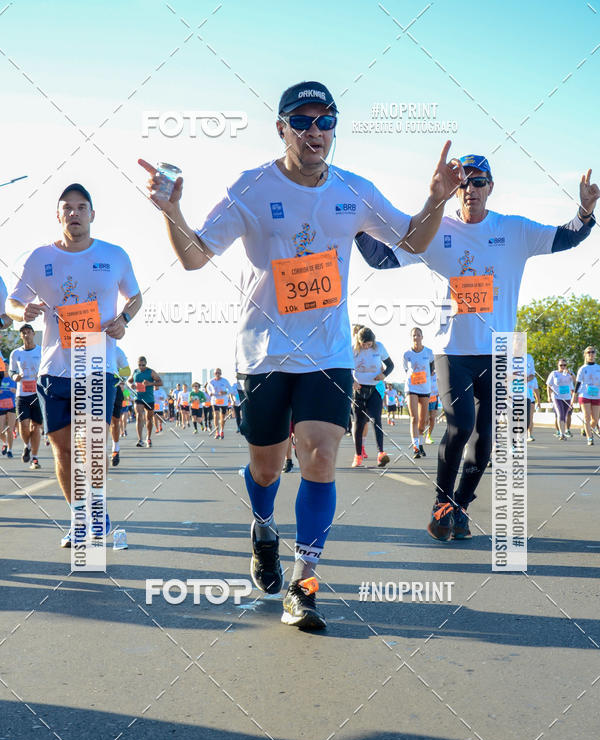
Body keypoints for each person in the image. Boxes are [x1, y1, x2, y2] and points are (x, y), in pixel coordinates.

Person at [140, 79, 463, 629]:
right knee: (265, 470)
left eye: (326, 121)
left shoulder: (353, 189)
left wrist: (435, 200)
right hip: (263, 355)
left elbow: (411, 241)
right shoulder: (250, 187)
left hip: (327, 354)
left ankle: (304, 583)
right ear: (282, 128)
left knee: (318, 454)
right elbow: (195, 257)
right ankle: (263, 529)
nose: (316, 132)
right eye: (304, 120)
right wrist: (172, 211)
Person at [356, 157, 598, 540]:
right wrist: (354, 224)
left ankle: (460, 506)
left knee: (486, 435)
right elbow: (380, 257)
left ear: (490, 187)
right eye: (463, 183)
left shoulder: (513, 230)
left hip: (498, 351)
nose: (471, 189)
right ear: (455, 189)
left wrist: (584, 211)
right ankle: (441, 501)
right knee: (461, 423)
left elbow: (566, 235)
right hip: (452, 349)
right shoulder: (435, 229)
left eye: (478, 182)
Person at [6, 183, 142, 546]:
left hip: (98, 365)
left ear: (92, 214)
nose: (75, 213)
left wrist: (124, 321)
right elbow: (12, 304)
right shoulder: (38, 259)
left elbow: (135, 296)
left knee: (91, 445)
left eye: (82, 207)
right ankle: (79, 517)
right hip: (54, 371)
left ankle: (96, 514)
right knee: (63, 449)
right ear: (58, 215)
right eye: (67, 208)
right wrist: (25, 310)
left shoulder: (114, 256)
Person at [351, 326, 393, 467]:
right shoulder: (353, 349)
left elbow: (390, 365)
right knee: (359, 423)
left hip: (374, 389)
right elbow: (344, 368)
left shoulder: (379, 347)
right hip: (359, 391)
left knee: (377, 420)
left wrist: (384, 375)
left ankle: (381, 453)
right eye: (364, 344)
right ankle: (358, 456)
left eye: (369, 344)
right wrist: (353, 381)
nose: (367, 347)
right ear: (359, 341)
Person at [9, 323, 43, 468]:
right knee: (24, 426)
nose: (26, 335)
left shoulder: (42, 351)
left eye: (28, 332)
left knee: (36, 427)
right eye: (23, 333)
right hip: (22, 395)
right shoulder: (15, 353)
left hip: (38, 394)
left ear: (33, 334)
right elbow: (11, 371)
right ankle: (26, 445)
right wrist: (15, 376)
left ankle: (34, 458)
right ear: (20, 336)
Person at [402, 327, 434, 458]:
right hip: (411, 387)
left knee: (423, 421)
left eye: (418, 335)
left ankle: (420, 444)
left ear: (422, 336)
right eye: (414, 335)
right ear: (411, 337)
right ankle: (415, 448)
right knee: (414, 418)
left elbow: (432, 366)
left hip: (425, 388)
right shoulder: (407, 354)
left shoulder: (429, 352)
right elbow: (406, 370)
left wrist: (426, 375)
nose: (416, 337)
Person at [129, 356, 161, 447]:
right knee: (139, 415)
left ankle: (148, 437)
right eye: (139, 365)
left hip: (149, 399)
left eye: (143, 365)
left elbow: (160, 382)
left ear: (146, 364)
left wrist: (150, 383)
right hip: (138, 397)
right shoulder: (135, 372)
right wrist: (131, 385)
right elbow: (128, 381)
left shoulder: (151, 372)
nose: (141, 367)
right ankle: (140, 439)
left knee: (149, 419)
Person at [574, 346, 600, 445]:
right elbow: (578, 383)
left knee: (595, 419)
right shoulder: (582, 368)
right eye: (589, 352)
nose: (591, 354)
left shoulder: (598, 368)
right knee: (587, 416)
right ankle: (589, 438)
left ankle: (587, 429)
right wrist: (574, 396)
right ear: (585, 354)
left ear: (595, 354)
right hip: (584, 394)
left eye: (593, 352)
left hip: (596, 395)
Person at [110, 345, 130, 466]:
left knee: (115, 421)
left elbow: (127, 371)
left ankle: (115, 449)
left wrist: (117, 377)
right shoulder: (90, 347)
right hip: (95, 388)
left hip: (114, 388)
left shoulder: (116, 350)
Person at [546, 357, 574, 440]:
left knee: (565, 415)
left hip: (567, 397)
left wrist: (570, 374)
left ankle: (563, 431)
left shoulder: (569, 374)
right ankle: (562, 434)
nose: (563, 367)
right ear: (558, 365)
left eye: (564, 365)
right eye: (561, 365)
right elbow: (548, 385)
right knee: (560, 414)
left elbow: (575, 383)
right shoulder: (554, 373)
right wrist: (548, 396)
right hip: (556, 397)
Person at [207, 369, 233, 439]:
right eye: (216, 373)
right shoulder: (211, 381)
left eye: (219, 373)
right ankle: (216, 432)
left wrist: (225, 392)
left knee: (223, 417)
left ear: (221, 373)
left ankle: (221, 430)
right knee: (215, 415)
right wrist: (210, 393)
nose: (217, 374)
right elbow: (208, 388)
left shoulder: (225, 381)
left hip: (223, 401)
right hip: (215, 400)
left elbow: (230, 389)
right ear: (214, 374)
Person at [0, 364, 17, 458]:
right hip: (0, 406)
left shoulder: (13, 378)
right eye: (3, 365)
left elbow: (20, 390)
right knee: (0, 430)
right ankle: (5, 443)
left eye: (7, 365)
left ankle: (10, 450)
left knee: (10, 429)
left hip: (11, 405)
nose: (5, 367)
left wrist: (15, 390)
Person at [426, 370, 439, 444]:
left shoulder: (438, 374)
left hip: (434, 398)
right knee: (425, 419)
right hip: (425, 397)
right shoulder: (425, 373)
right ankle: (423, 430)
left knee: (432, 418)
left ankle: (428, 436)